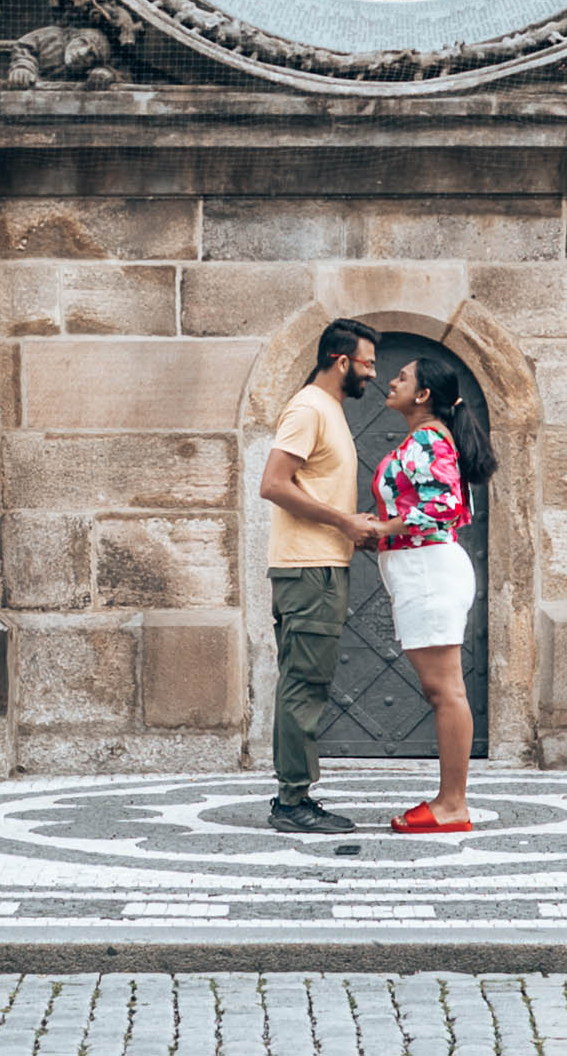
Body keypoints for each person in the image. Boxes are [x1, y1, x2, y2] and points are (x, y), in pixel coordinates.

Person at [258, 323, 376, 834]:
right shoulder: (309, 408)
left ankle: (294, 796)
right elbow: (273, 484)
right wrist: (343, 522)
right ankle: (292, 803)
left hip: (319, 566)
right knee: (303, 685)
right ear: (341, 360)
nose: (374, 373)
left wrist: (350, 526)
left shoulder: (328, 410)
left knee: (306, 681)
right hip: (308, 569)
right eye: (368, 363)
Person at [369, 350, 491, 833]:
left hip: (428, 571)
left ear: (423, 394)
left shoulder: (427, 438)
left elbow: (445, 506)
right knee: (442, 689)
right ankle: (450, 801)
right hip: (423, 569)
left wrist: (381, 528)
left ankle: (452, 805)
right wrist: (381, 533)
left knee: (446, 691)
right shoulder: (428, 438)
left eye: (402, 378)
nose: (391, 382)